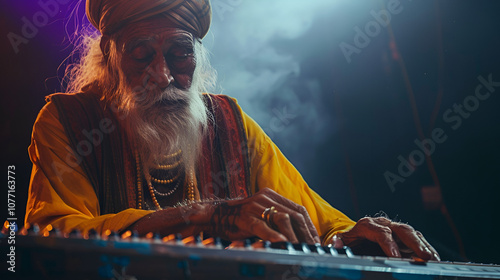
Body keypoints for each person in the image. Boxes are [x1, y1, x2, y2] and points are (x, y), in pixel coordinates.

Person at [25, 0, 439, 261]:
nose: (163, 75)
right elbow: (52, 236)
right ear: (109, 56)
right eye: (141, 54)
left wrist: (358, 237)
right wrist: (208, 216)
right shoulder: (67, 121)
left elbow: (317, 222)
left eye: (179, 53)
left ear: (197, 56)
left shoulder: (229, 122)